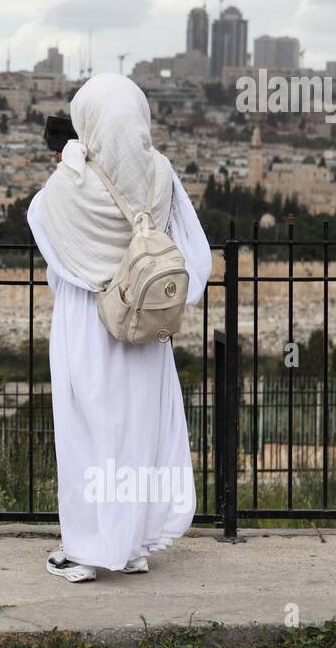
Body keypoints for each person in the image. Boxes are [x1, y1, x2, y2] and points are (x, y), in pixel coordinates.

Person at [26, 74, 212, 583]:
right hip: (146, 326)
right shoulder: (162, 174)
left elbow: (47, 236)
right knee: (137, 435)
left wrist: (70, 164)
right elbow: (193, 256)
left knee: (88, 433)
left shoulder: (67, 186)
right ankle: (131, 547)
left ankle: (87, 550)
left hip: (90, 325)